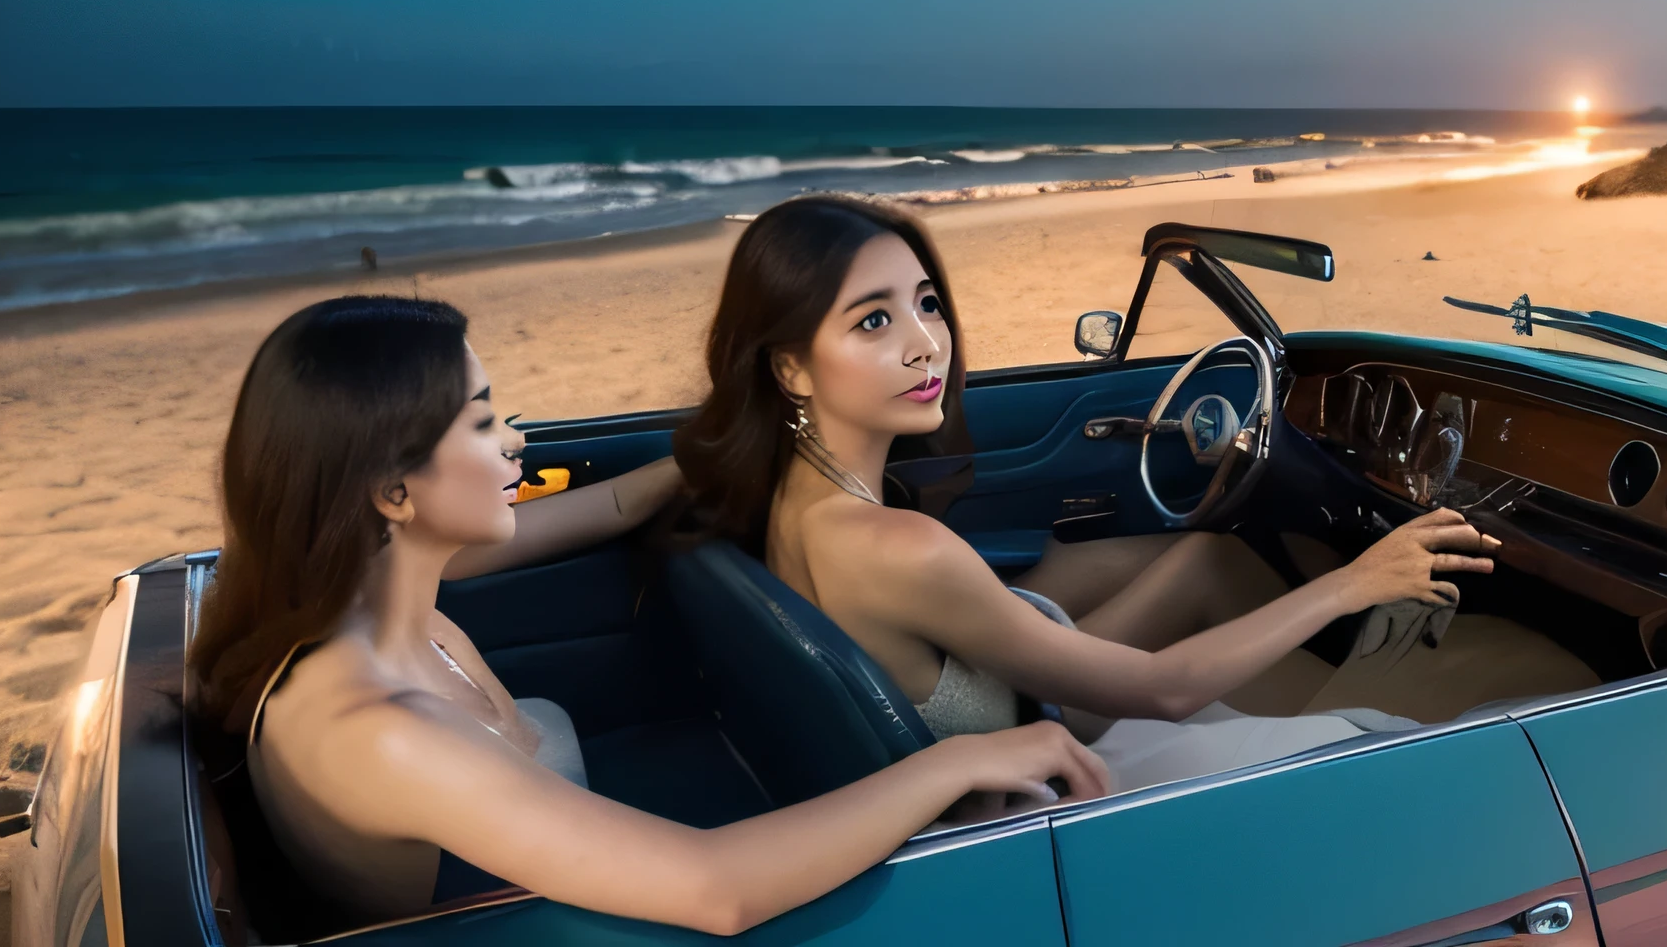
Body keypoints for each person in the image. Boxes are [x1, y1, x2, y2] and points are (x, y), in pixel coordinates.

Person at [188, 295, 1107, 930]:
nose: (517, 440)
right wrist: (957, 759)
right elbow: (717, 892)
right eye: (480, 420)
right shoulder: (377, 728)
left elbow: (620, 506)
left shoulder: (393, 598)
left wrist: (735, 440)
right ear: (392, 489)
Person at [670, 196, 1535, 791]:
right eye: (873, 320)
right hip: (1080, 788)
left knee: (1201, 556)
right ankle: (1353, 696)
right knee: (1458, 714)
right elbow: (1161, 690)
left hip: (1025, 715)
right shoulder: (897, 548)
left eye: (926, 305)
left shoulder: (784, 493)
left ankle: (1332, 680)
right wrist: (1359, 580)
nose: (926, 344)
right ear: (787, 364)